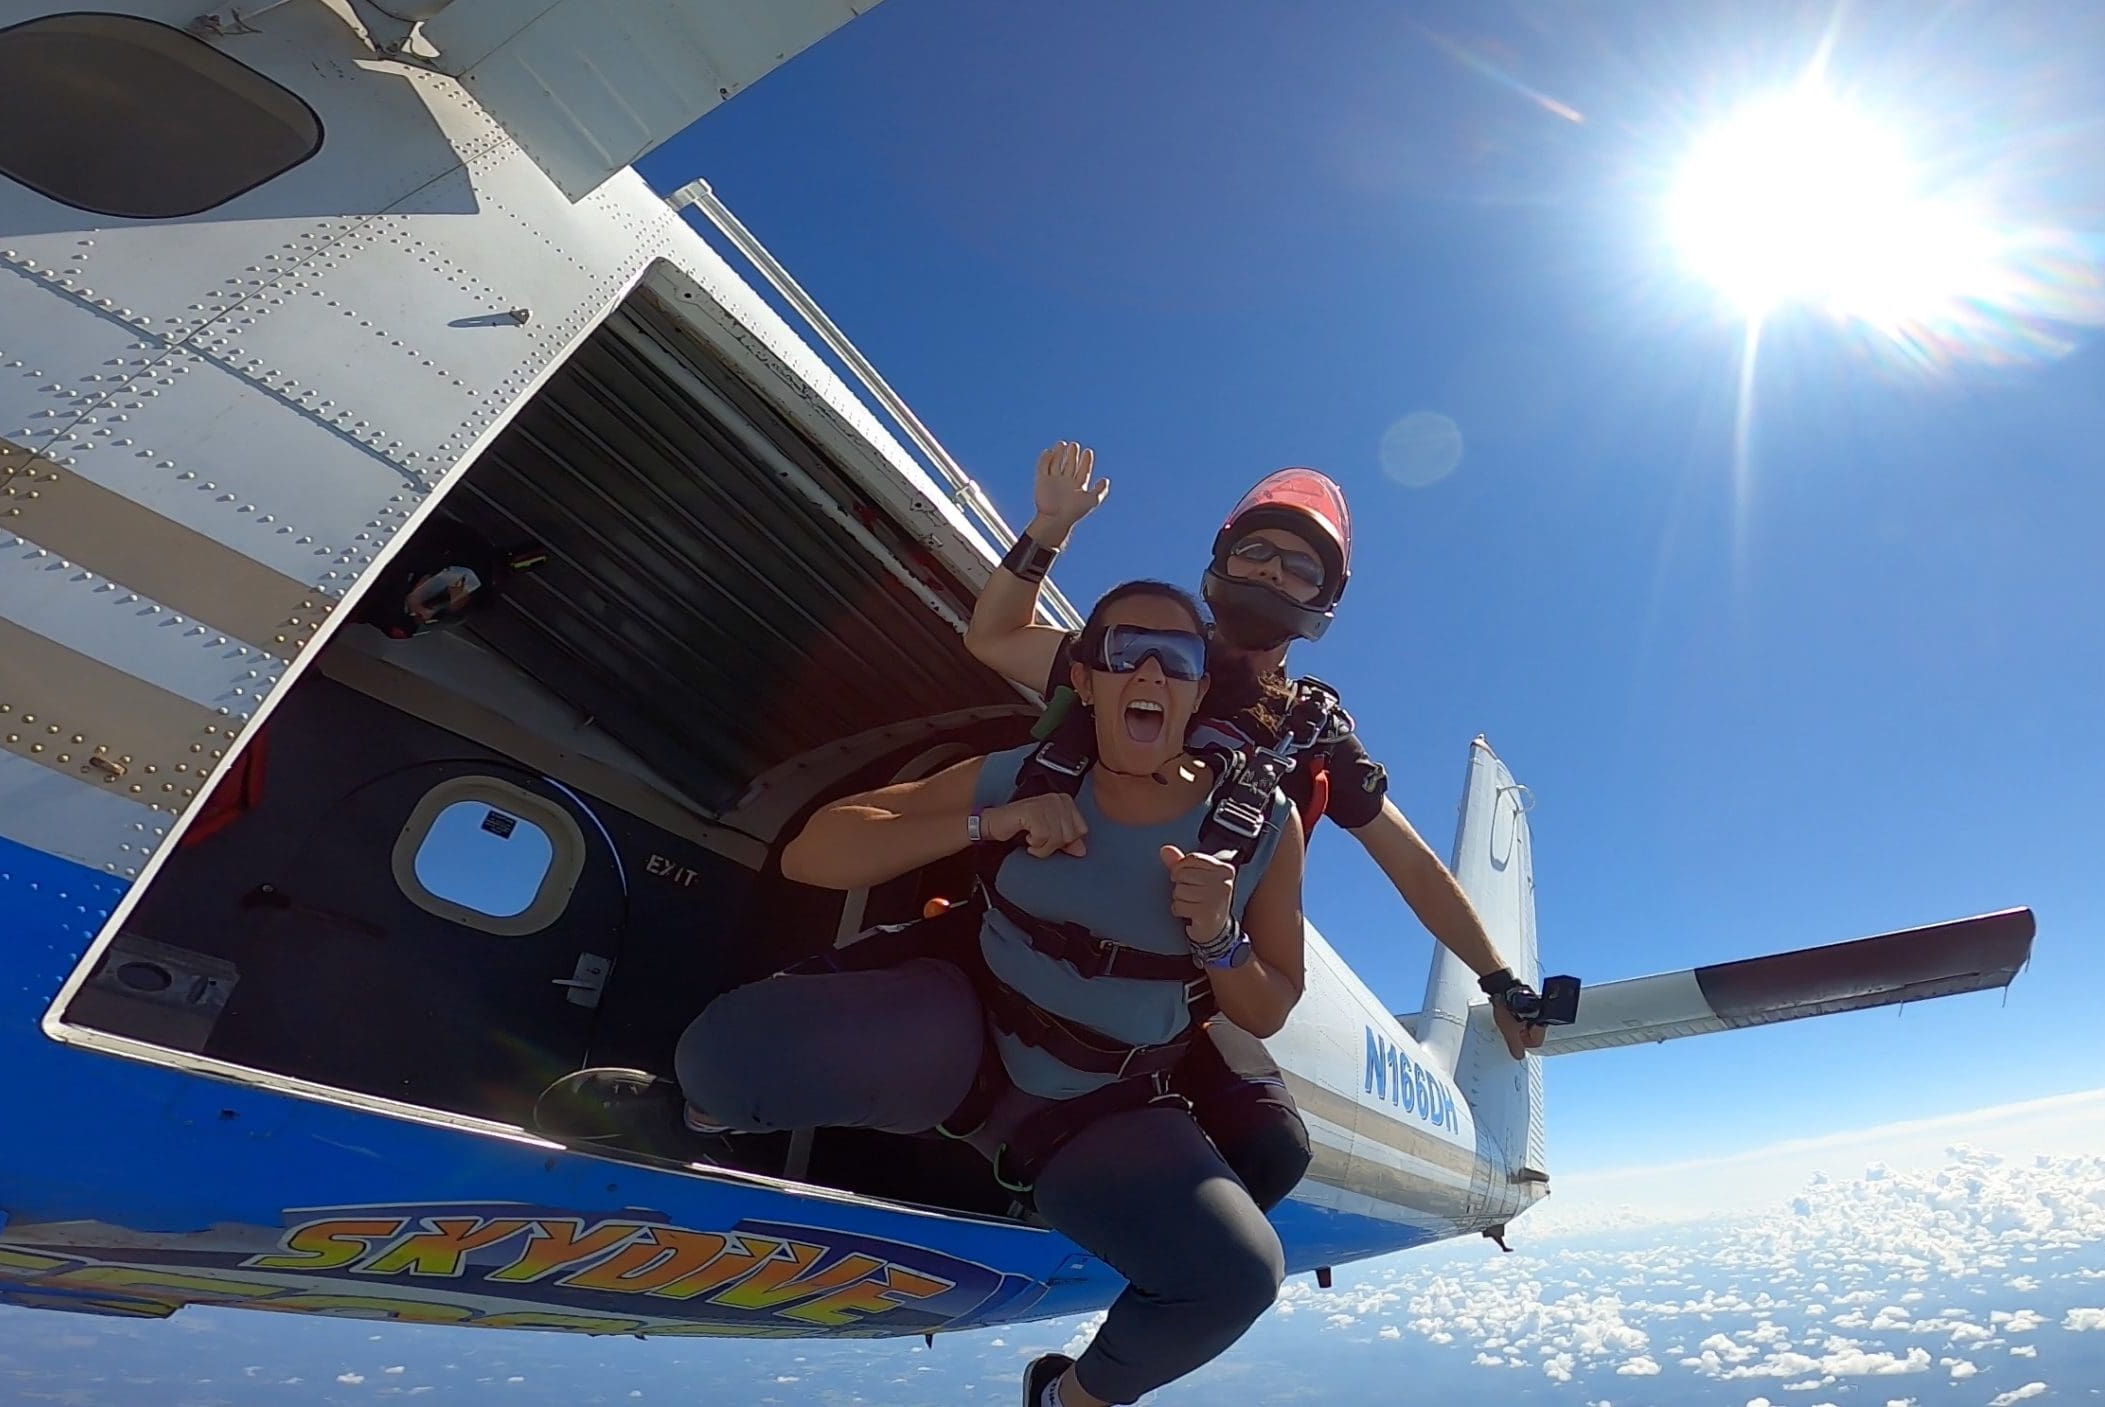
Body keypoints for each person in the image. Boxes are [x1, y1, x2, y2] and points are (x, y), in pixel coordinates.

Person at [540, 581, 1304, 1407]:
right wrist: (986, 823)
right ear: (1085, 679)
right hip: (966, 1034)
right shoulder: (1028, 772)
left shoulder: (1260, 825)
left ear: (1195, 690)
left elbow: (1268, 1005)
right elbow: (814, 853)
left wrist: (1219, 938)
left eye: (1177, 658)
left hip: (1102, 1106)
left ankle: (1064, 1399)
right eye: (1124, 651)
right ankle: (690, 1116)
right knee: (719, 1059)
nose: (1149, 672)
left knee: (1238, 1277)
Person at [964, 445, 1551, 1209]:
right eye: (1257, 550)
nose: (1274, 572)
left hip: (1176, 971)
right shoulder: (1140, 650)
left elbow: (1410, 866)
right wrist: (1048, 530)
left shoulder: (1313, 734)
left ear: (1323, 600)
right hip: (1032, 922)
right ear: (1222, 560)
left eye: (1300, 567)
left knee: (1272, 1146)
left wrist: (1501, 980)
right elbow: (995, 636)